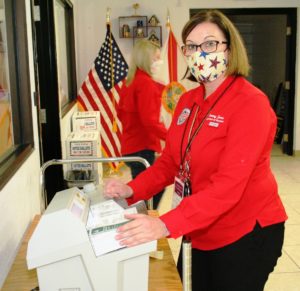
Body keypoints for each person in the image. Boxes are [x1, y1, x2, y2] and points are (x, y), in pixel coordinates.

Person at [105, 9, 287, 291]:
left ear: (229, 49)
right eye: (191, 45)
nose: (200, 52)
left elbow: (228, 187)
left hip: (246, 232)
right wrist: (132, 190)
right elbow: (169, 163)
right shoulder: (188, 101)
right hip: (201, 227)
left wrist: (165, 224)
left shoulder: (251, 104)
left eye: (210, 43)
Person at [118, 39, 167, 209]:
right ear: (146, 59)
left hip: (130, 145)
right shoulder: (145, 83)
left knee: (140, 188)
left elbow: (121, 113)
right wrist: (171, 136)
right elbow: (150, 121)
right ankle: (142, 220)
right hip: (142, 146)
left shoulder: (129, 82)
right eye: (156, 58)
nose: (159, 63)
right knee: (152, 189)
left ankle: (140, 218)